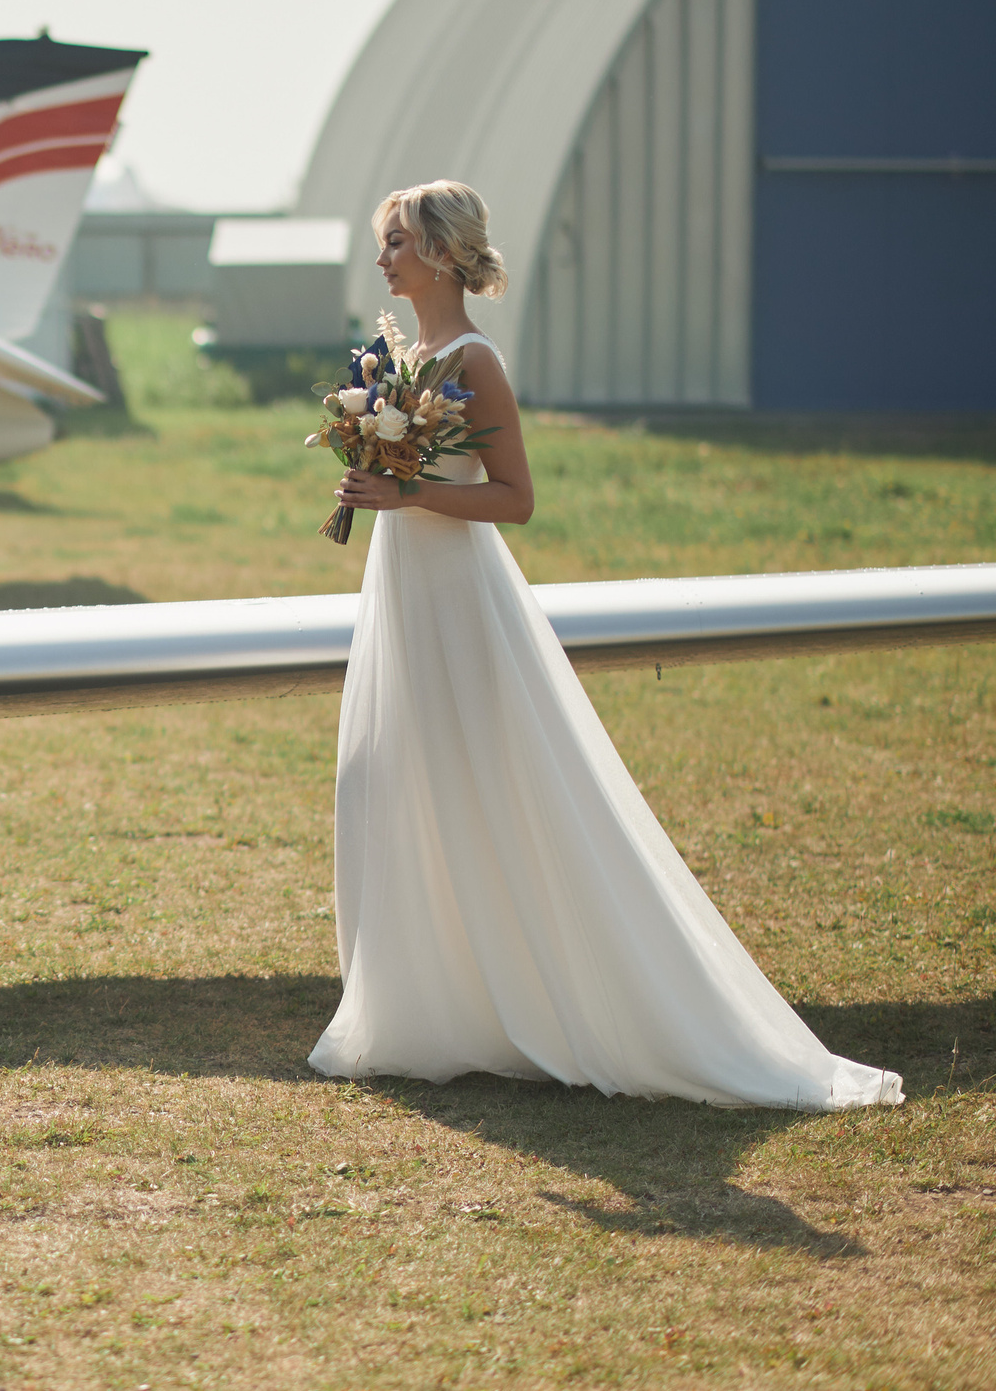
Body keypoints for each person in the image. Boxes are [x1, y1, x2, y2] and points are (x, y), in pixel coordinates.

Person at [310, 179, 901, 1112]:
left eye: (396, 242)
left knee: (494, 780)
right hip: (402, 589)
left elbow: (514, 498)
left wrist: (412, 492)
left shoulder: (472, 359)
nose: (382, 257)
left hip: (460, 595)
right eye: (384, 242)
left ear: (439, 253)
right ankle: (437, 1002)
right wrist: (373, 478)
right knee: (394, 776)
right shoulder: (402, 356)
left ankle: (562, 994)